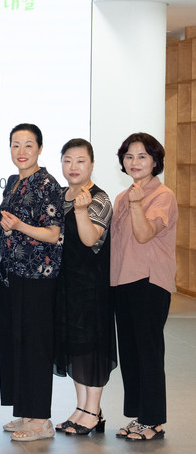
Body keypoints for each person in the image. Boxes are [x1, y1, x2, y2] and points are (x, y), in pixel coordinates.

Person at [0, 123, 63, 441]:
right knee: (17, 343)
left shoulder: (48, 184)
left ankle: (41, 419)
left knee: (36, 346)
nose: (21, 151)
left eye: (28, 145)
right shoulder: (13, 182)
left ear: (40, 148)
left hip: (38, 276)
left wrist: (19, 225)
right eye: (15, 145)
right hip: (13, 275)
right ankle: (26, 413)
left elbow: (53, 233)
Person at [111, 133, 176, 442]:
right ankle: (139, 417)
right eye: (129, 156)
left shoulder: (163, 195)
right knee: (131, 352)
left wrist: (137, 204)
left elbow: (144, 234)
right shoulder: (122, 197)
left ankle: (153, 421)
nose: (134, 162)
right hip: (122, 282)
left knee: (148, 352)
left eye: (142, 156)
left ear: (155, 161)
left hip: (149, 282)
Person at [53, 138, 116, 435]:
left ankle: (93, 411)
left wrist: (80, 211)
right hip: (64, 285)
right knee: (75, 348)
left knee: (92, 348)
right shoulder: (59, 195)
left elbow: (90, 239)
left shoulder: (99, 199)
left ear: (91, 164)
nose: (73, 167)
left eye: (80, 161)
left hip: (90, 287)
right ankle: (81, 408)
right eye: (67, 160)